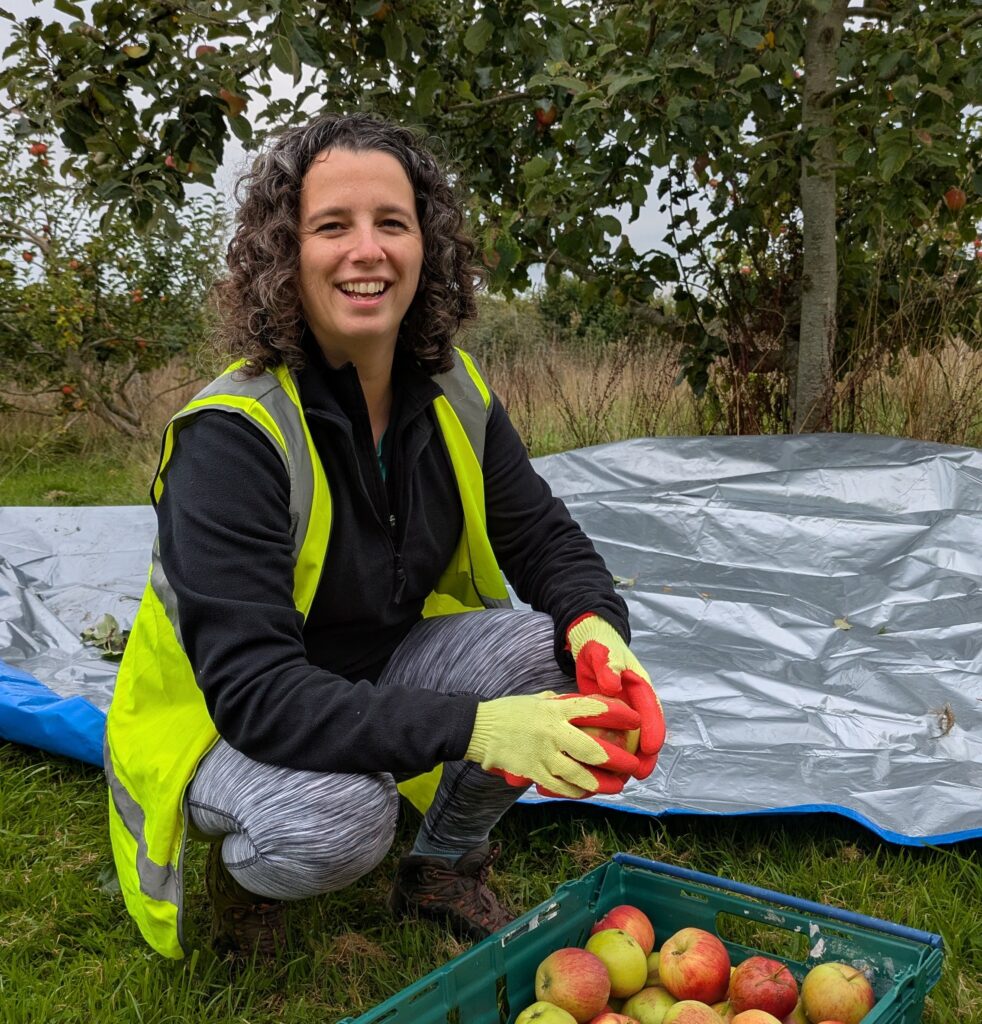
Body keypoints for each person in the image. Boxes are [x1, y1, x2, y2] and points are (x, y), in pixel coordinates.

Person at [103, 112, 666, 963]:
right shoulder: (232, 436)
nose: (366, 250)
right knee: (340, 820)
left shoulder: (451, 389)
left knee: (548, 656)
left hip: (380, 665)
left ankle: (439, 868)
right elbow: (258, 695)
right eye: (333, 226)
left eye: (391, 224)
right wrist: (478, 727)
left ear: (425, 249)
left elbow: (542, 534)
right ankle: (246, 882)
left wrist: (595, 626)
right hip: (226, 719)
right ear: (283, 255)